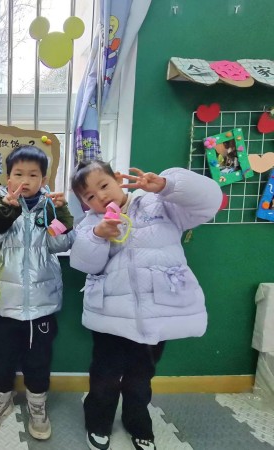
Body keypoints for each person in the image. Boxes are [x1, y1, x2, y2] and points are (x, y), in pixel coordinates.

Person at [69, 160, 221, 450]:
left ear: (118, 179)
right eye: (90, 196)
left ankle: (138, 423)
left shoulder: (158, 203)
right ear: (85, 204)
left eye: (104, 185)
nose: (101, 196)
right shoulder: (90, 224)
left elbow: (209, 201)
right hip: (110, 316)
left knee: (140, 377)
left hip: (156, 312)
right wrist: (99, 236)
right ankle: (98, 422)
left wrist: (167, 185)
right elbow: (84, 263)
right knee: (104, 375)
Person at [0, 145, 75, 440]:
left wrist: (62, 212)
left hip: (42, 306)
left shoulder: (49, 207)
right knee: (0, 358)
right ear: (8, 179)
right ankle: (0, 401)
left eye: (33, 175)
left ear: (44, 180)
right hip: (5, 304)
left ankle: (37, 405)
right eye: (19, 174)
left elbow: (61, 244)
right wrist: (4, 211)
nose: (25, 180)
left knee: (38, 361)